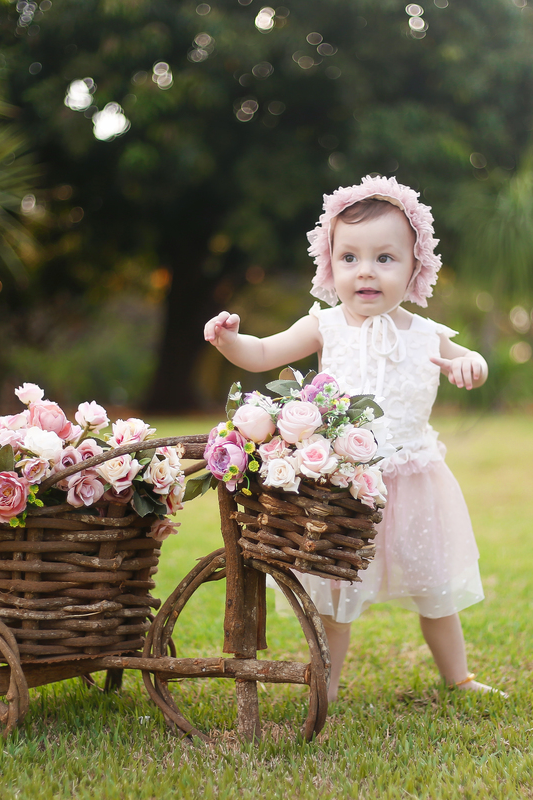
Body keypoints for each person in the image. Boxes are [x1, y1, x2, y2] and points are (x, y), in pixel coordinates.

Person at [203, 175, 496, 701]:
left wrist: (471, 364)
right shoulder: (326, 325)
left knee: (435, 589)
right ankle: (328, 685)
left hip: (413, 484)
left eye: (385, 258)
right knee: (335, 595)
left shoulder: (427, 335)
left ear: (415, 267)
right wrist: (230, 341)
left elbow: (469, 359)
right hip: (342, 483)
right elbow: (264, 352)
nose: (366, 271)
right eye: (350, 258)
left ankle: (459, 676)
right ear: (330, 265)